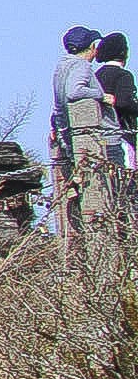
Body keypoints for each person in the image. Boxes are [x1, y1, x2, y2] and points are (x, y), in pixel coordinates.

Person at [52, 26, 106, 241]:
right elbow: (75, 92)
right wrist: (100, 95)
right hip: (81, 139)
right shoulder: (82, 66)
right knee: (91, 186)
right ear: (91, 47)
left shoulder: (61, 67)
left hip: (65, 133)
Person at [101, 32, 138, 224]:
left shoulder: (96, 76)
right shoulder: (123, 75)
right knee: (129, 188)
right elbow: (125, 103)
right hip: (122, 137)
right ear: (124, 53)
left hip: (100, 140)